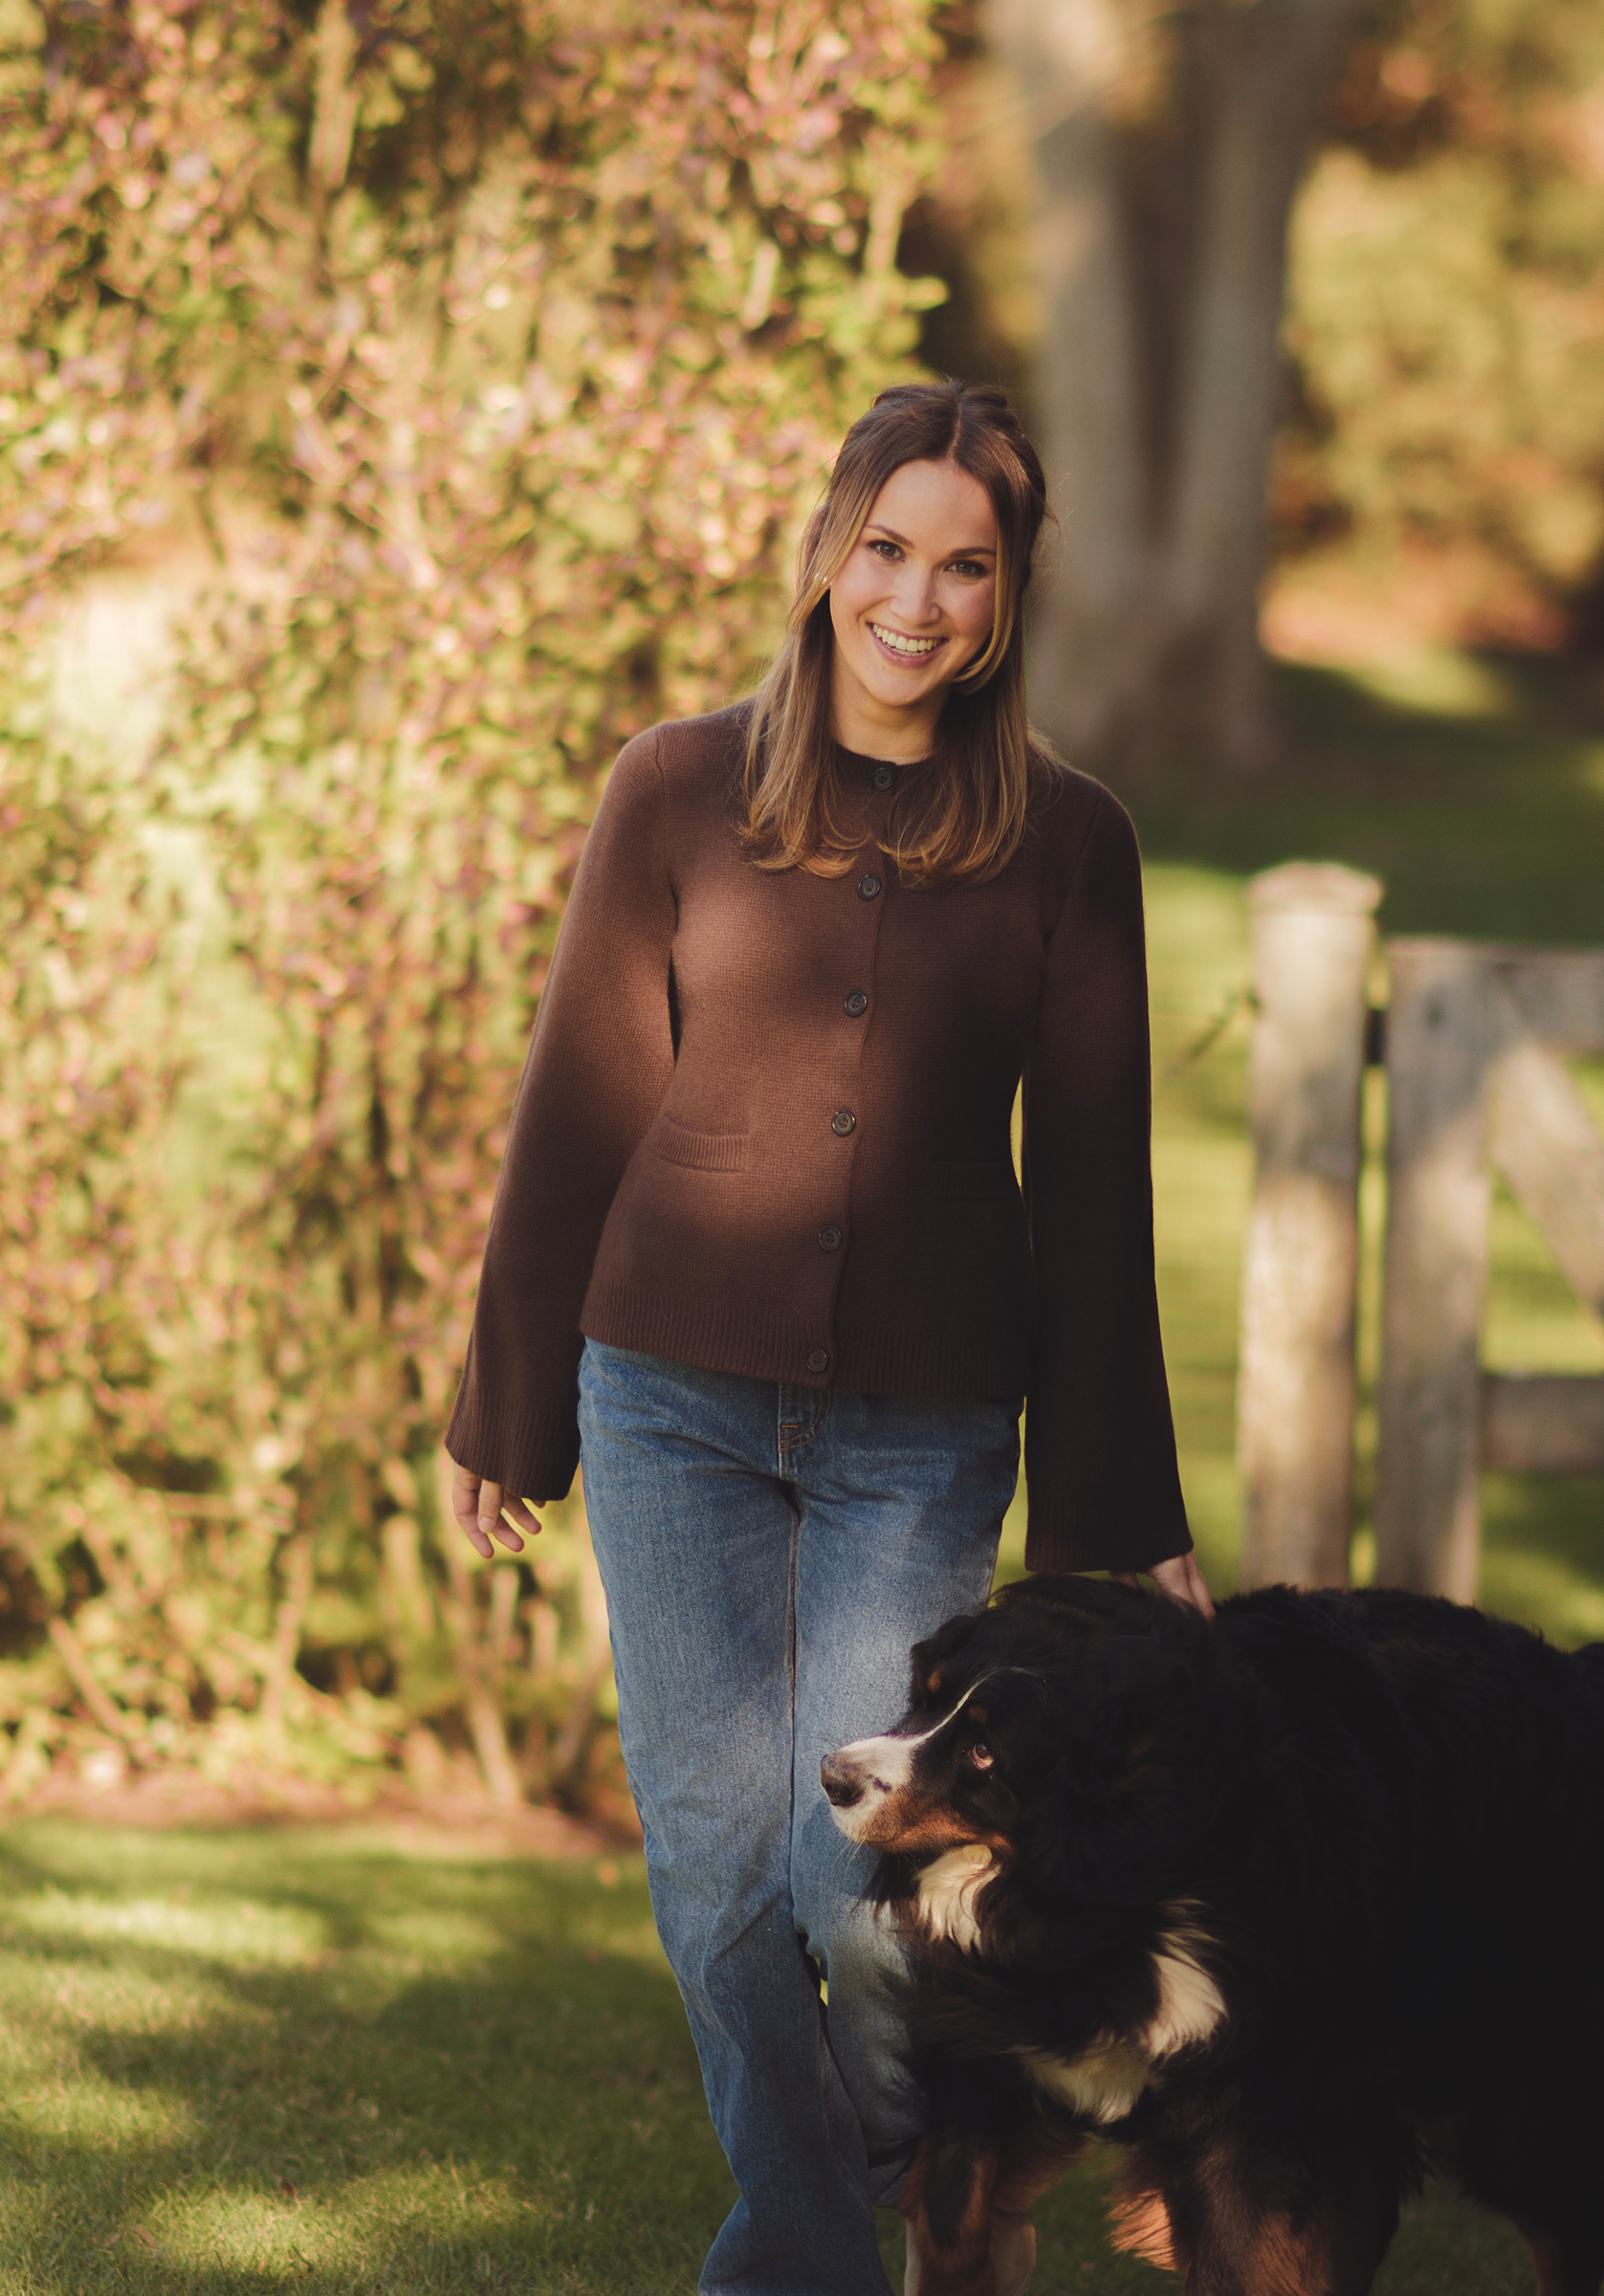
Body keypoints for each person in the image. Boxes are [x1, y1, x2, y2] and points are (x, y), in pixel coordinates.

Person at [444, 378, 1213, 2296]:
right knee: (714, 1879)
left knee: (858, 1896)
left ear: (1009, 597)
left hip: (919, 1437)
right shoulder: (673, 790)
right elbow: (581, 1105)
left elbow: (1096, 1194)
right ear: (827, 552)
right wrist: (513, 1400)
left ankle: (914, 2150)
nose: (917, 602)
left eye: (965, 568)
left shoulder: (1069, 845)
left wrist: (1118, 1524)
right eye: (888, 550)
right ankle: (799, 2253)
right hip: (670, 1409)